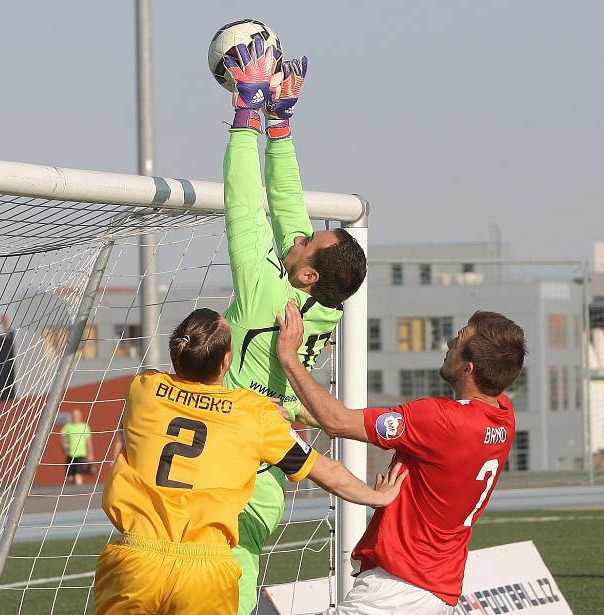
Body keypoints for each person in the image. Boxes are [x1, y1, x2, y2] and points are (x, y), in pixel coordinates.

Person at [94, 308, 406, 615]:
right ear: (226, 361)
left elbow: (192, 399)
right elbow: (326, 472)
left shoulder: (144, 388)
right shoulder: (254, 413)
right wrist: (377, 496)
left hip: (137, 558)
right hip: (205, 570)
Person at [219, 37, 367, 612]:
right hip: (267, 474)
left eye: (306, 243)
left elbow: (245, 206)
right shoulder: (326, 302)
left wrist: (245, 116)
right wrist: (279, 128)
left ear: (306, 274)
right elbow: (287, 209)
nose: (299, 235)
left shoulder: (266, 298)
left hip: (227, 466)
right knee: (239, 578)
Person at [276, 301, 527, 614]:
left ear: (468, 368)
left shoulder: (441, 419)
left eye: (458, 339)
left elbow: (337, 422)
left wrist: (289, 357)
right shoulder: (504, 416)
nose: (449, 343)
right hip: (438, 591)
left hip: (399, 591)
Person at [60, 409, 93, 485]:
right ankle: (72, 491)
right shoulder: (67, 427)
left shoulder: (84, 426)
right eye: (74, 416)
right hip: (70, 454)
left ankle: (79, 492)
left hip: (81, 454)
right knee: (70, 477)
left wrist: (90, 454)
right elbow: (62, 437)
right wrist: (64, 444)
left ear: (80, 416)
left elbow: (89, 442)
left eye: (77, 416)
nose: (76, 417)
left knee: (78, 474)